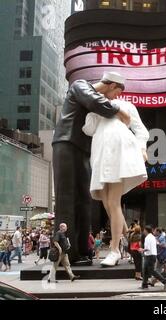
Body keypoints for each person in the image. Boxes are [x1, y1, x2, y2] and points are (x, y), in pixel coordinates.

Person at [52, 71, 131, 265]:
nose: (116, 98)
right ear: (112, 86)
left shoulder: (94, 101)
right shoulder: (80, 85)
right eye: (117, 94)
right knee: (66, 199)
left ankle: (83, 250)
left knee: (84, 200)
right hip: (66, 143)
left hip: (83, 151)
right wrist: (119, 111)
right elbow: (96, 102)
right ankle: (66, 254)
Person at [82, 96, 149, 267]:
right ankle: (129, 240)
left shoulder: (126, 105)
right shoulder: (96, 107)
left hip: (119, 153)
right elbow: (88, 129)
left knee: (113, 202)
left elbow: (141, 130)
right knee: (107, 204)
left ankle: (115, 249)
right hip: (100, 155)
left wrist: (142, 148)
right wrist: (92, 109)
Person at [139, 225, 166, 289]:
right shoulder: (153, 237)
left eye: (144, 230)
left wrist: (142, 250)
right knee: (145, 270)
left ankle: (165, 281)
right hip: (152, 255)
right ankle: (144, 284)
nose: (143, 231)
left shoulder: (147, 237)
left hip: (149, 255)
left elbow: (148, 248)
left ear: (146, 230)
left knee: (152, 271)